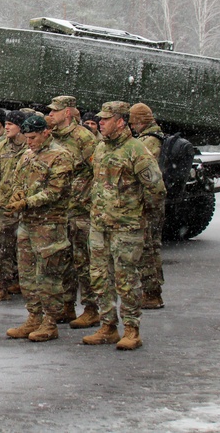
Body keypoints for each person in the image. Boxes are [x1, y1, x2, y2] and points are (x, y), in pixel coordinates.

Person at [82, 101, 166, 351]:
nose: (101, 123)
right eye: (100, 119)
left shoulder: (136, 150)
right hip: (99, 225)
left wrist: (136, 214)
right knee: (99, 277)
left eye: (106, 119)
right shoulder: (100, 149)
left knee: (127, 279)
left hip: (126, 228)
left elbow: (156, 188)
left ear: (120, 121)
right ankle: (108, 326)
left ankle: (131, 329)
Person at [4, 115, 73, 342]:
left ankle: (50, 322)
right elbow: (18, 182)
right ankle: (34, 316)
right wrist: (16, 196)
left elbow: (55, 191)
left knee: (48, 276)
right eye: (27, 138)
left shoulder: (61, 156)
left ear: (46, 133)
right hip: (28, 223)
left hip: (49, 225)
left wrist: (26, 202)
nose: (29, 142)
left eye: (33, 137)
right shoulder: (27, 155)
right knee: (26, 274)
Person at [46, 95, 99, 328]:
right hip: (59, 210)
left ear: (67, 113)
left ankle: (91, 308)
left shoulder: (83, 138)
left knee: (84, 261)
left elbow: (97, 169)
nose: (50, 115)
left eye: (54, 111)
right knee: (63, 261)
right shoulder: (53, 138)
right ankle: (67, 305)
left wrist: (87, 197)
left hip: (80, 210)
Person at [0, 111, 27, 302]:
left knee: (27, 248)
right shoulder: (0, 149)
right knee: (2, 246)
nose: (7, 127)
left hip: (28, 206)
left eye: (11, 124)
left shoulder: (31, 147)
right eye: (7, 124)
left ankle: (25, 284)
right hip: (5, 205)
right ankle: (2, 286)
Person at [128, 102, 166, 309]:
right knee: (150, 246)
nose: (132, 126)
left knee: (148, 248)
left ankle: (152, 292)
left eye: (134, 121)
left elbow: (145, 170)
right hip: (151, 200)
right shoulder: (152, 137)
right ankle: (152, 290)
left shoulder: (149, 141)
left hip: (149, 201)